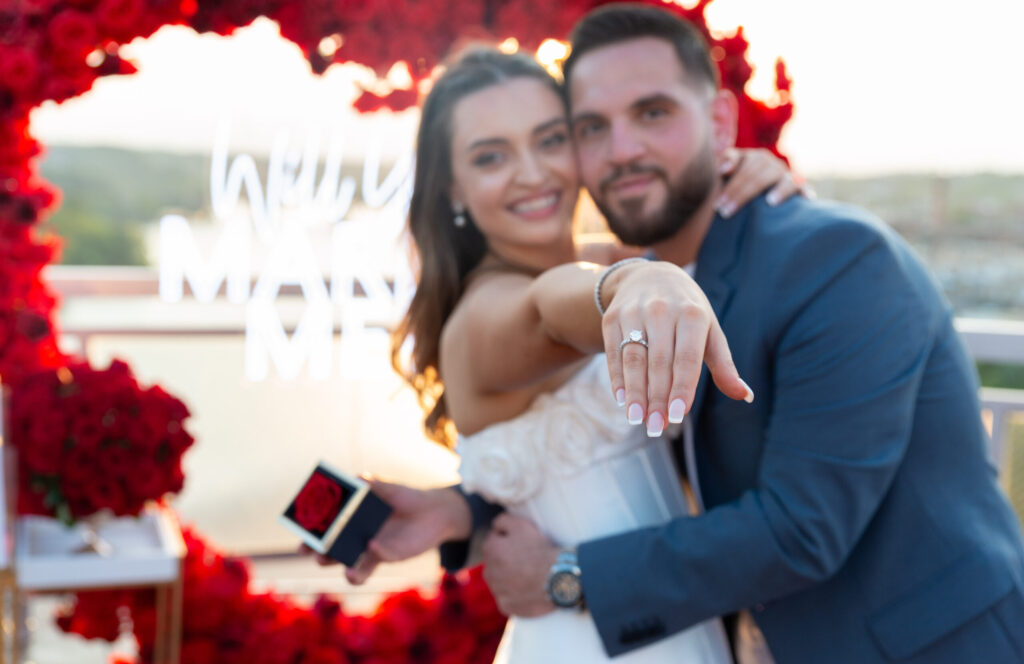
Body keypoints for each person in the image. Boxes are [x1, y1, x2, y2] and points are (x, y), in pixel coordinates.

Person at [462, 5, 1024, 664]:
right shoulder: (646, 279)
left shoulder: (838, 260)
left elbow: (801, 529)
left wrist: (569, 575)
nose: (621, 151)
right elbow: (605, 443)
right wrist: (463, 511)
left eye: (653, 112)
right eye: (592, 127)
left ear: (721, 122)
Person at [330, 41, 803, 663]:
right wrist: (633, 284)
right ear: (453, 189)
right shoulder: (485, 315)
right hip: (589, 641)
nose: (533, 172)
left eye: (550, 140)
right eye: (492, 156)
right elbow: (551, 310)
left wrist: (758, 174)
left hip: (670, 621)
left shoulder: (606, 253)